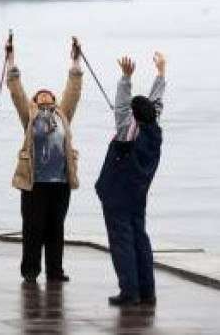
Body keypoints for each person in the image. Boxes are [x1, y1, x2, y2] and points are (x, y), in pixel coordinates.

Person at [5, 37, 83, 283]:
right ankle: (30, 271)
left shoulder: (63, 115)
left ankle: (55, 271)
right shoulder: (30, 117)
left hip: (60, 182)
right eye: (40, 95)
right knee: (33, 228)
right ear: (35, 102)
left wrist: (76, 61)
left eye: (49, 94)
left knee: (56, 228)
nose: (45, 96)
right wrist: (11, 61)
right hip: (34, 182)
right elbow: (17, 92)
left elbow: (73, 90)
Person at [95, 53, 166, 306]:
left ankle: (130, 292)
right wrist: (160, 73)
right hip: (138, 194)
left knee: (122, 242)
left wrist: (126, 77)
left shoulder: (127, 131)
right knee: (140, 238)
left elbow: (122, 107)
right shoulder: (154, 130)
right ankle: (147, 292)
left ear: (134, 115)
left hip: (118, 194)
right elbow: (155, 103)